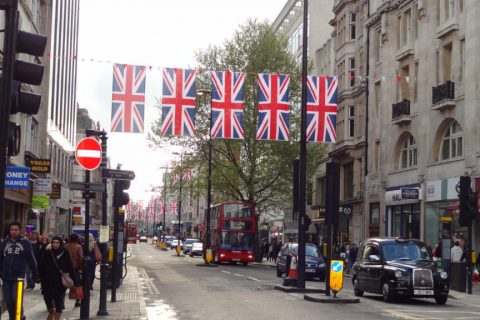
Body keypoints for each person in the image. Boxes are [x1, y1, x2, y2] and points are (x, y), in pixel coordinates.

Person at [0, 221, 39, 319]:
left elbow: (31, 259)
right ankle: (13, 317)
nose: (13, 232)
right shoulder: (5, 242)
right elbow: (0, 258)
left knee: (16, 299)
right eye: (12, 230)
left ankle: (19, 317)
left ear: (20, 230)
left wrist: (36, 275)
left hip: (19, 278)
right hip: (6, 277)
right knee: (8, 301)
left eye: (16, 230)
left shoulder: (25, 242)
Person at [39, 235, 74, 320]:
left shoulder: (65, 252)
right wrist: (40, 277)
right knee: (47, 299)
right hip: (47, 281)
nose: (55, 244)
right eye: (54, 242)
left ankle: (57, 317)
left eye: (57, 243)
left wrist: (74, 279)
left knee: (59, 301)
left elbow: (70, 266)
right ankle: (51, 313)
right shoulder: (48, 252)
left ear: (60, 243)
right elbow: (42, 265)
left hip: (59, 282)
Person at [63, 233, 83, 307]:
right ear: (77, 239)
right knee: (78, 285)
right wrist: (81, 268)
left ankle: (62, 302)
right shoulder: (78, 247)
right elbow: (81, 258)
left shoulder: (65, 246)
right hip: (76, 268)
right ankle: (78, 301)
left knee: (64, 284)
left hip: (66, 268)